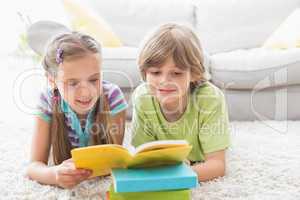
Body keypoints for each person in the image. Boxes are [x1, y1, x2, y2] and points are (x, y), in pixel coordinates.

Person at [26, 32, 127, 188]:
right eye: (72, 83)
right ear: (52, 80)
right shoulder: (47, 101)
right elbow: (33, 167)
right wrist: (55, 175)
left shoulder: (112, 97)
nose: (85, 92)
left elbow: (115, 159)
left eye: (94, 80)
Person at [131, 23, 230, 182]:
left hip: (197, 159)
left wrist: (178, 174)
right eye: (156, 72)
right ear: (145, 72)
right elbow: (143, 157)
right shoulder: (142, 98)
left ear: (194, 74)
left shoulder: (210, 99)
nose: (164, 81)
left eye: (176, 73)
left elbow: (217, 164)